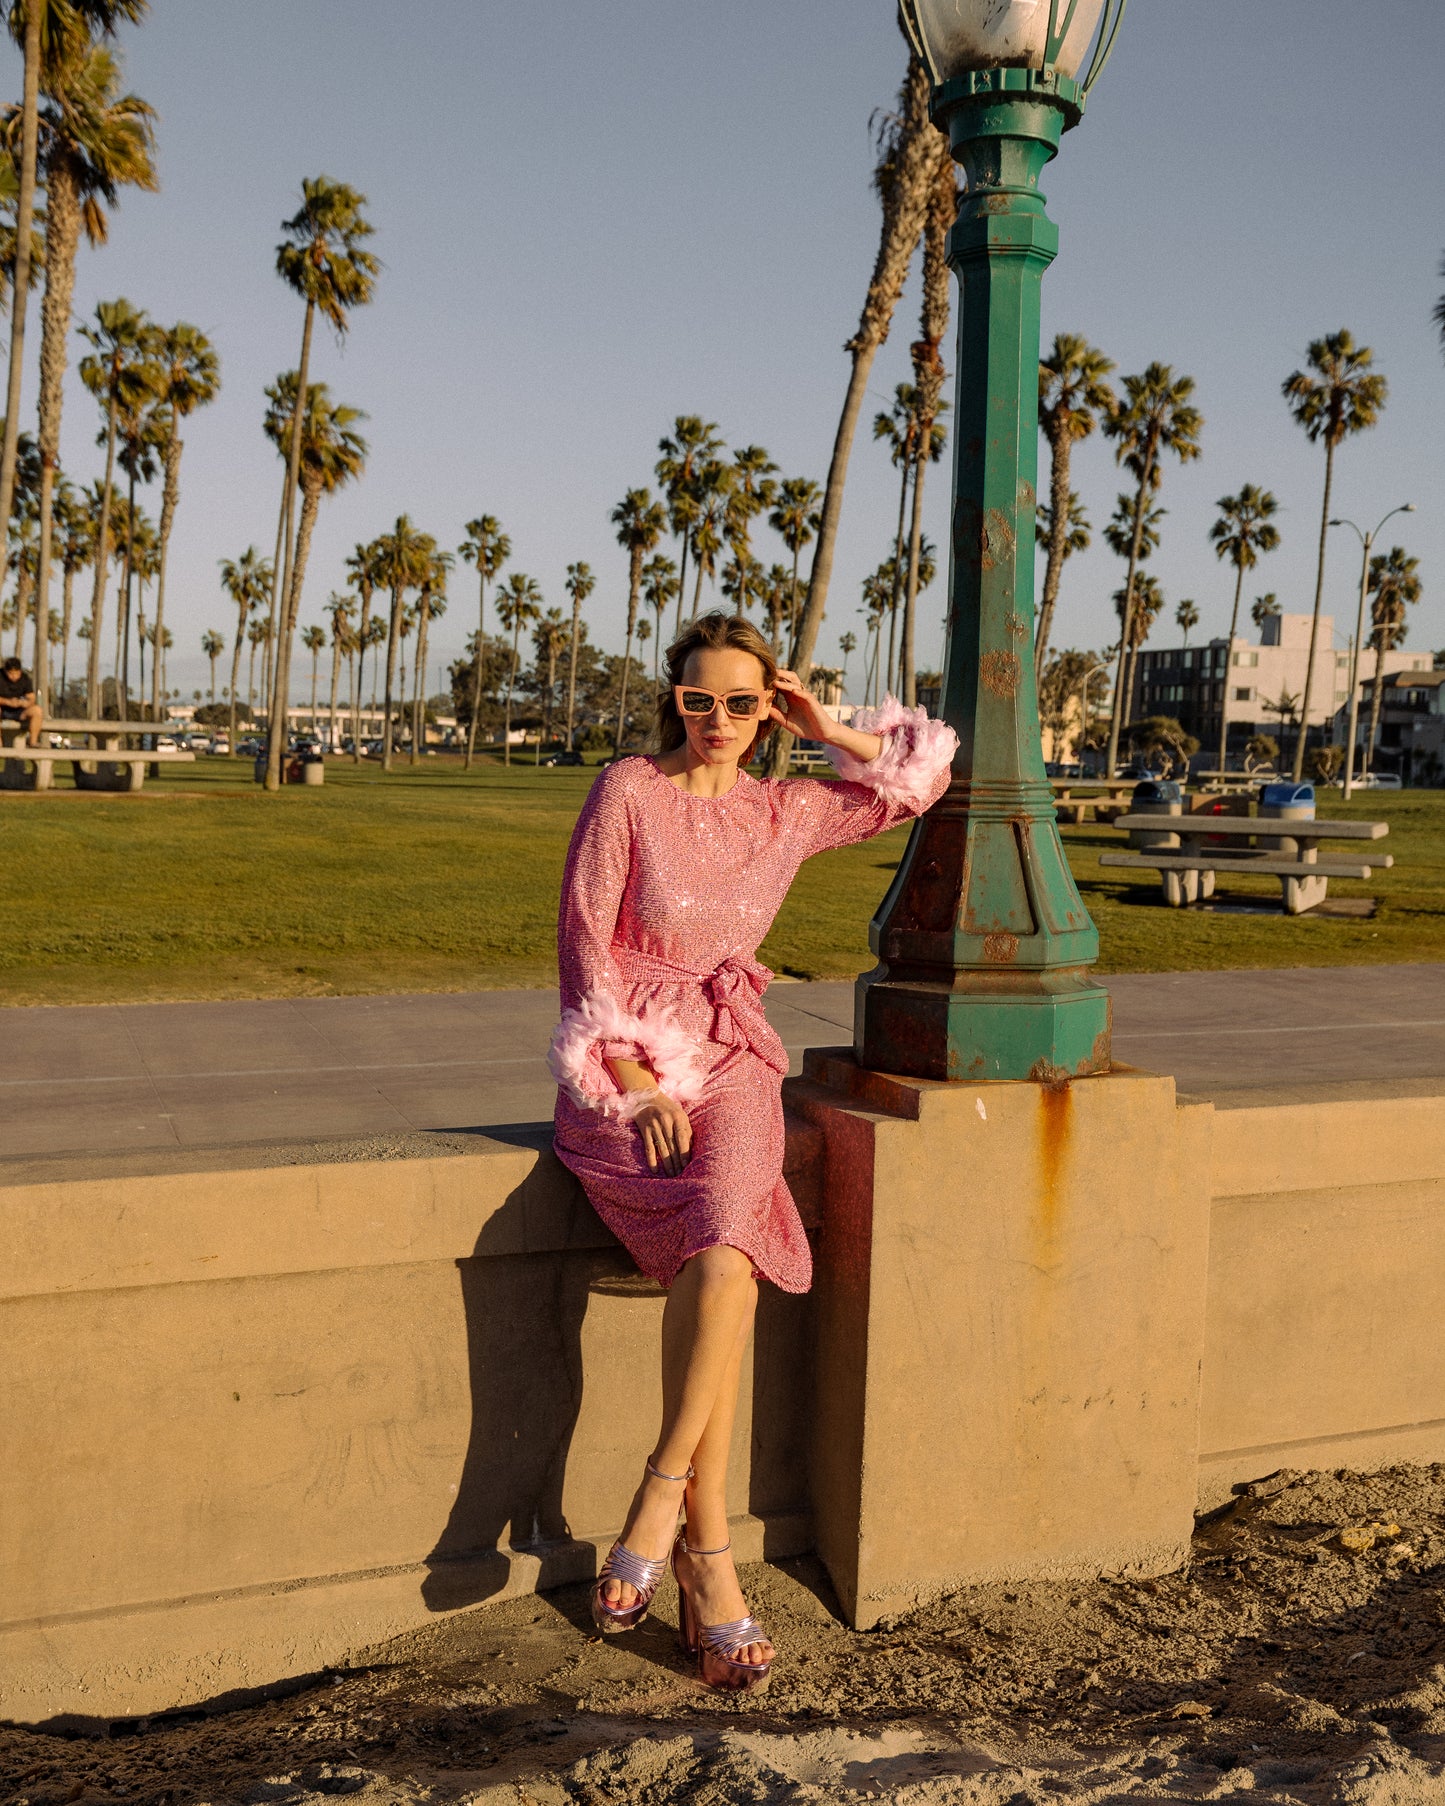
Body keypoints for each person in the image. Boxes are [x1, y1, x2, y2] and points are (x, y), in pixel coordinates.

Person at [548, 610, 957, 1691]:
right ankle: (709, 1561)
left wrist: (833, 725)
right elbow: (585, 945)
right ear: (670, 701)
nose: (718, 719)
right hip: (629, 1069)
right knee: (715, 1257)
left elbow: (919, 778)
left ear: (765, 709)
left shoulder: (786, 811)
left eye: (741, 701)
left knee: (727, 1250)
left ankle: (661, 1492)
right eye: (698, 699)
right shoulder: (627, 790)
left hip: (733, 1063)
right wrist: (631, 1085)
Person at [0, 656, 42, 747]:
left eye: (16, 673)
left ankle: (33, 742)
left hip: (20, 711)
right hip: (2, 710)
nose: (14, 676)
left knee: (37, 710)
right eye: (11, 673)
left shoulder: (25, 678)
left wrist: (24, 703)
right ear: (5, 671)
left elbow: (31, 697)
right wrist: (8, 702)